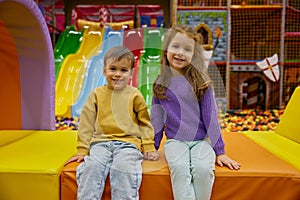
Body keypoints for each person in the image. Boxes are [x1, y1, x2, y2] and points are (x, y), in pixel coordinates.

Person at [151, 24, 240, 200]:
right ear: (166, 49)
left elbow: (210, 118)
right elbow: (157, 119)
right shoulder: (161, 84)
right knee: (180, 169)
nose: (180, 53)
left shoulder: (201, 84)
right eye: (175, 46)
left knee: (203, 169)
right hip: (175, 141)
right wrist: (152, 147)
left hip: (201, 141)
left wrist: (220, 151)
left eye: (187, 49)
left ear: (194, 55)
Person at [65, 46, 159, 200]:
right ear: (104, 71)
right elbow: (86, 124)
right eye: (112, 69)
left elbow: (144, 122)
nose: (117, 74)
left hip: (128, 143)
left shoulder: (134, 95)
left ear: (130, 74)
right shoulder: (96, 95)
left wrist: (148, 145)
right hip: (100, 143)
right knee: (92, 168)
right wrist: (82, 149)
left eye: (123, 70)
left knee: (123, 169)